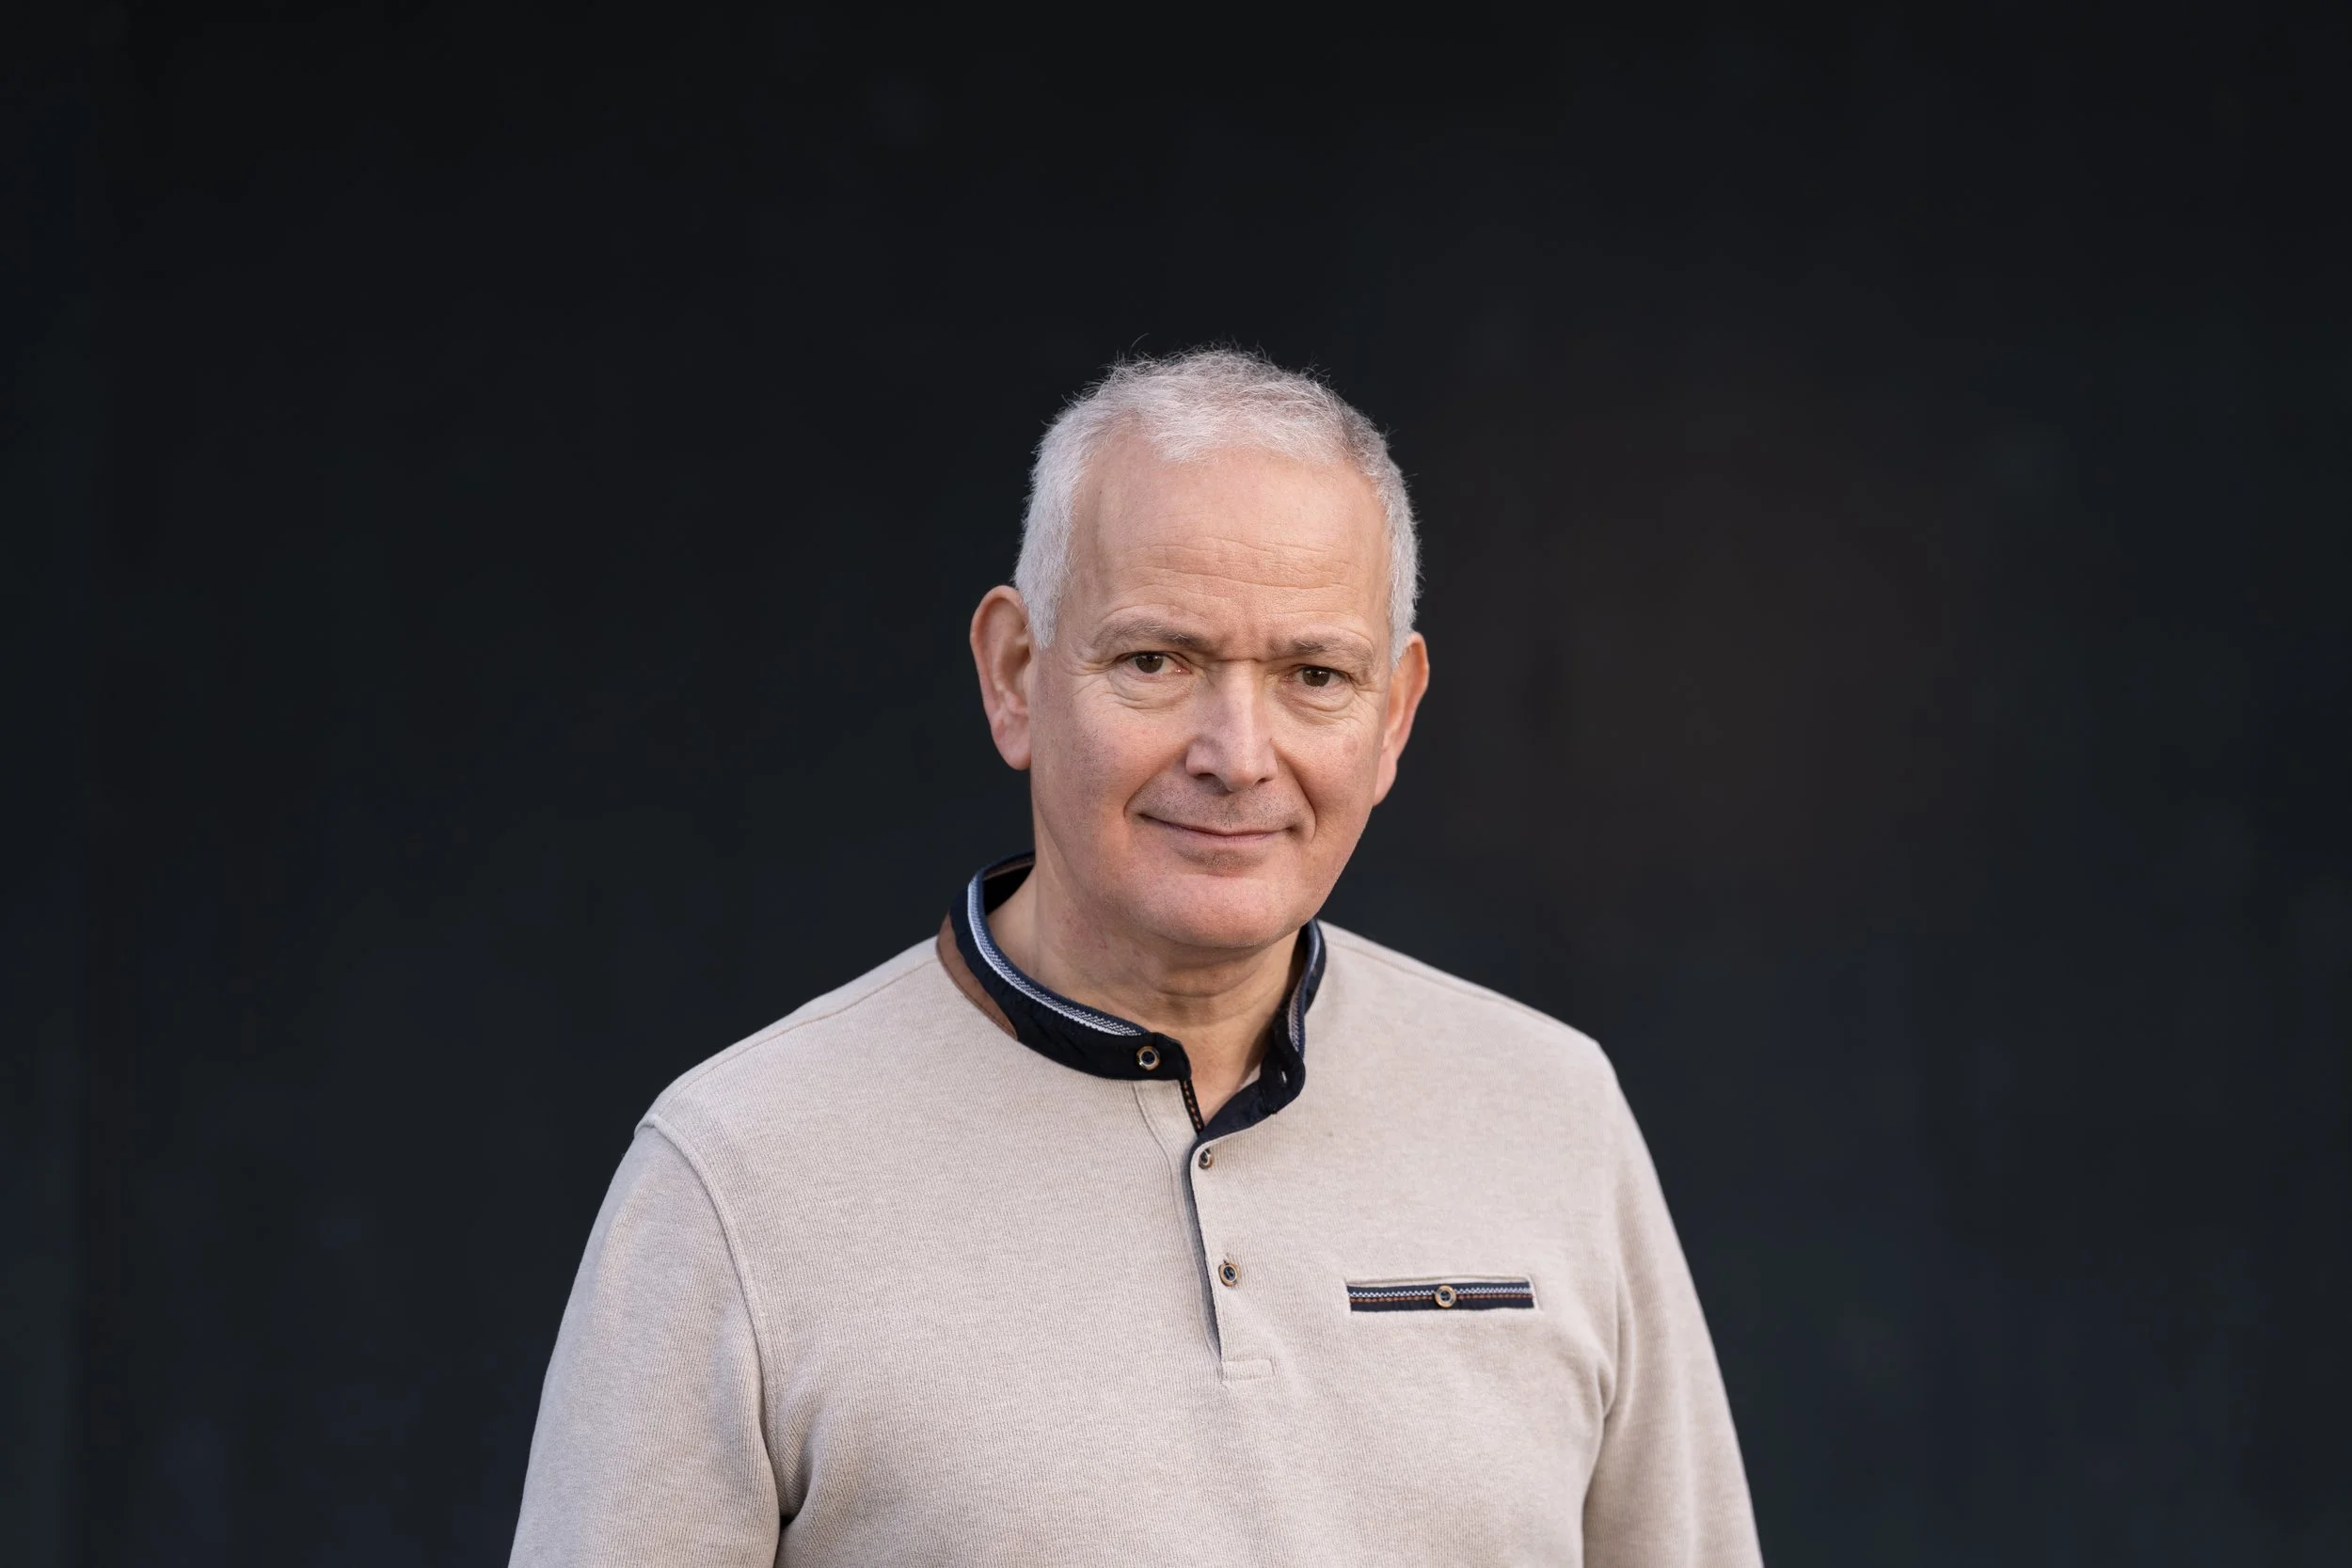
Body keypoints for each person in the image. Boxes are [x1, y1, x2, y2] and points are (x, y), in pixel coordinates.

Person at [509, 349, 1762, 1565]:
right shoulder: (738, 1174)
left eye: (1314, 674)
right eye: (1157, 660)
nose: (1237, 755)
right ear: (1016, 674)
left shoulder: (1552, 1112)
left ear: (1393, 715)